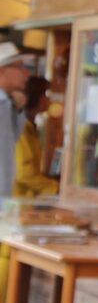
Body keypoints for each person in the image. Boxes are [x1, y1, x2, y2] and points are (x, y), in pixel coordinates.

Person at [14, 76, 60, 198]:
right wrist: (55, 187)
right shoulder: (21, 128)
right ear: (35, 97)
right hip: (17, 202)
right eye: (45, 94)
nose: (48, 99)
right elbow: (24, 174)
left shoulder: (29, 127)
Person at [0, 41, 31, 198]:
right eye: (20, 67)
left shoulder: (7, 103)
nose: (26, 73)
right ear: (2, 71)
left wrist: (18, 110)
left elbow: (12, 140)